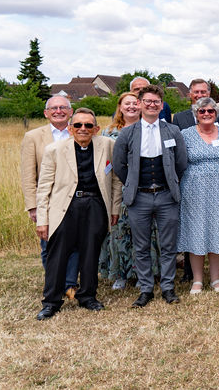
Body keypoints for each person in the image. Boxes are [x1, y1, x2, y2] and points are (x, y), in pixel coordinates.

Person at [35, 108, 122, 320]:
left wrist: (114, 209)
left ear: (96, 129)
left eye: (88, 125)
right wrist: (43, 219)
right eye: (78, 125)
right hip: (65, 207)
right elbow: (44, 186)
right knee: (58, 255)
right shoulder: (54, 150)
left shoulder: (108, 146)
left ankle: (88, 296)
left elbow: (116, 181)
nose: (83, 129)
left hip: (95, 204)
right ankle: (52, 301)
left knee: (91, 253)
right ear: (70, 128)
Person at [112, 85, 188, 307]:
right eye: (147, 101)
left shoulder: (173, 131)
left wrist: (171, 182)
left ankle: (167, 287)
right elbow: (119, 164)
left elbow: (181, 163)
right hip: (140, 196)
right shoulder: (128, 133)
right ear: (140, 104)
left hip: (166, 196)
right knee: (141, 245)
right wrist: (133, 182)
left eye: (156, 102)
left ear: (161, 105)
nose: (152, 105)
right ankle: (146, 289)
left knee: (168, 244)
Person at [178, 97, 219, 294]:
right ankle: (197, 280)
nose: (206, 114)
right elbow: (178, 163)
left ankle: (216, 278)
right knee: (196, 231)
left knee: (218, 231)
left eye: (210, 111)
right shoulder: (185, 134)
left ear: (216, 114)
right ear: (196, 114)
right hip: (193, 190)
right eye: (202, 111)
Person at [21, 94, 79, 298]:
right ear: (46, 113)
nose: (58, 111)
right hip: (48, 200)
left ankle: (70, 284)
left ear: (70, 112)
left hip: (75, 198)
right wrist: (33, 206)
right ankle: (54, 281)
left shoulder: (79, 131)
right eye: (53, 108)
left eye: (63, 107)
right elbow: (28, 175)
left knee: (74, 243)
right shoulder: (33, 137)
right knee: (48, 243)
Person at [99, 92, 149, 290]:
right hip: (117, 187)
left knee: (143, 233)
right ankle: (119, 274)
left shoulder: (149, 129)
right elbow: (104, 163)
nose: (131, 107)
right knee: (118, 231)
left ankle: (141, 273)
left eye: (135, 103)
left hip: (144, 187)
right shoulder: (108, 133)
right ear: (119, 107)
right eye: (126, 103)